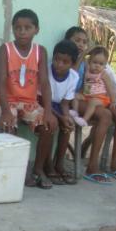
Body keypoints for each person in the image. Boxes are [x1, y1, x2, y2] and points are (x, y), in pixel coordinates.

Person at [0, 9, 57, 189]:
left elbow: (44, 83)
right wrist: (5, 111)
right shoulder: (5, 50)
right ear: (13, 29)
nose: (22, 31)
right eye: (18, 28)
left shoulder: (40, 52)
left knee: (48, 125)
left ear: (36, 30)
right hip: (5, 99)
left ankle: (38, 170)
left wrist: (49, 112)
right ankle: (16, 172)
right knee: (7, 126)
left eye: (27, 28)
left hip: (29, 102)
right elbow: (0, 82)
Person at [65, 26, 116, 184]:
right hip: (77, 99)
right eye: (77, 40)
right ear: (68, 41)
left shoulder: (96, 64)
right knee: (105, 115)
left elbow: (108, 84)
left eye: (84, 42)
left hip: (94, 99)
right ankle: (92, 166)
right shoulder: (67, 59)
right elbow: (72, 77)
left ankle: (115, 164)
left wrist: (115, 102)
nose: (81, 44)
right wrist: (82, 57)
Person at [43, 39, 80, 185]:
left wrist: (66, 116)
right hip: (44, 104)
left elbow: (65, 103)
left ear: (72, 64)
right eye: (57, 59)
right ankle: (48, 165)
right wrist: (59, 117)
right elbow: (41, 99)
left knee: (67, 127)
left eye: (65, 62)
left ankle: (59, 163)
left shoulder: (73, 77)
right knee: (52, 124)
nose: (59, 64)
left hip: (59, 106)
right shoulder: (46, 70)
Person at [75, 46, 116, 125]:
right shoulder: (87, 71)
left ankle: (84, 120)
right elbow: (86, 59)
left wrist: (113, 101)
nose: (97, 66)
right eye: (95, 62)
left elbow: (110, 89)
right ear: (90, 62)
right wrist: (86, 53)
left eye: (101, 64)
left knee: (92, 102)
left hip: (101, 98)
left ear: (105, 65)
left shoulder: (103, 74)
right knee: (75, 96)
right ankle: (75, 113)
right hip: (87, 96)